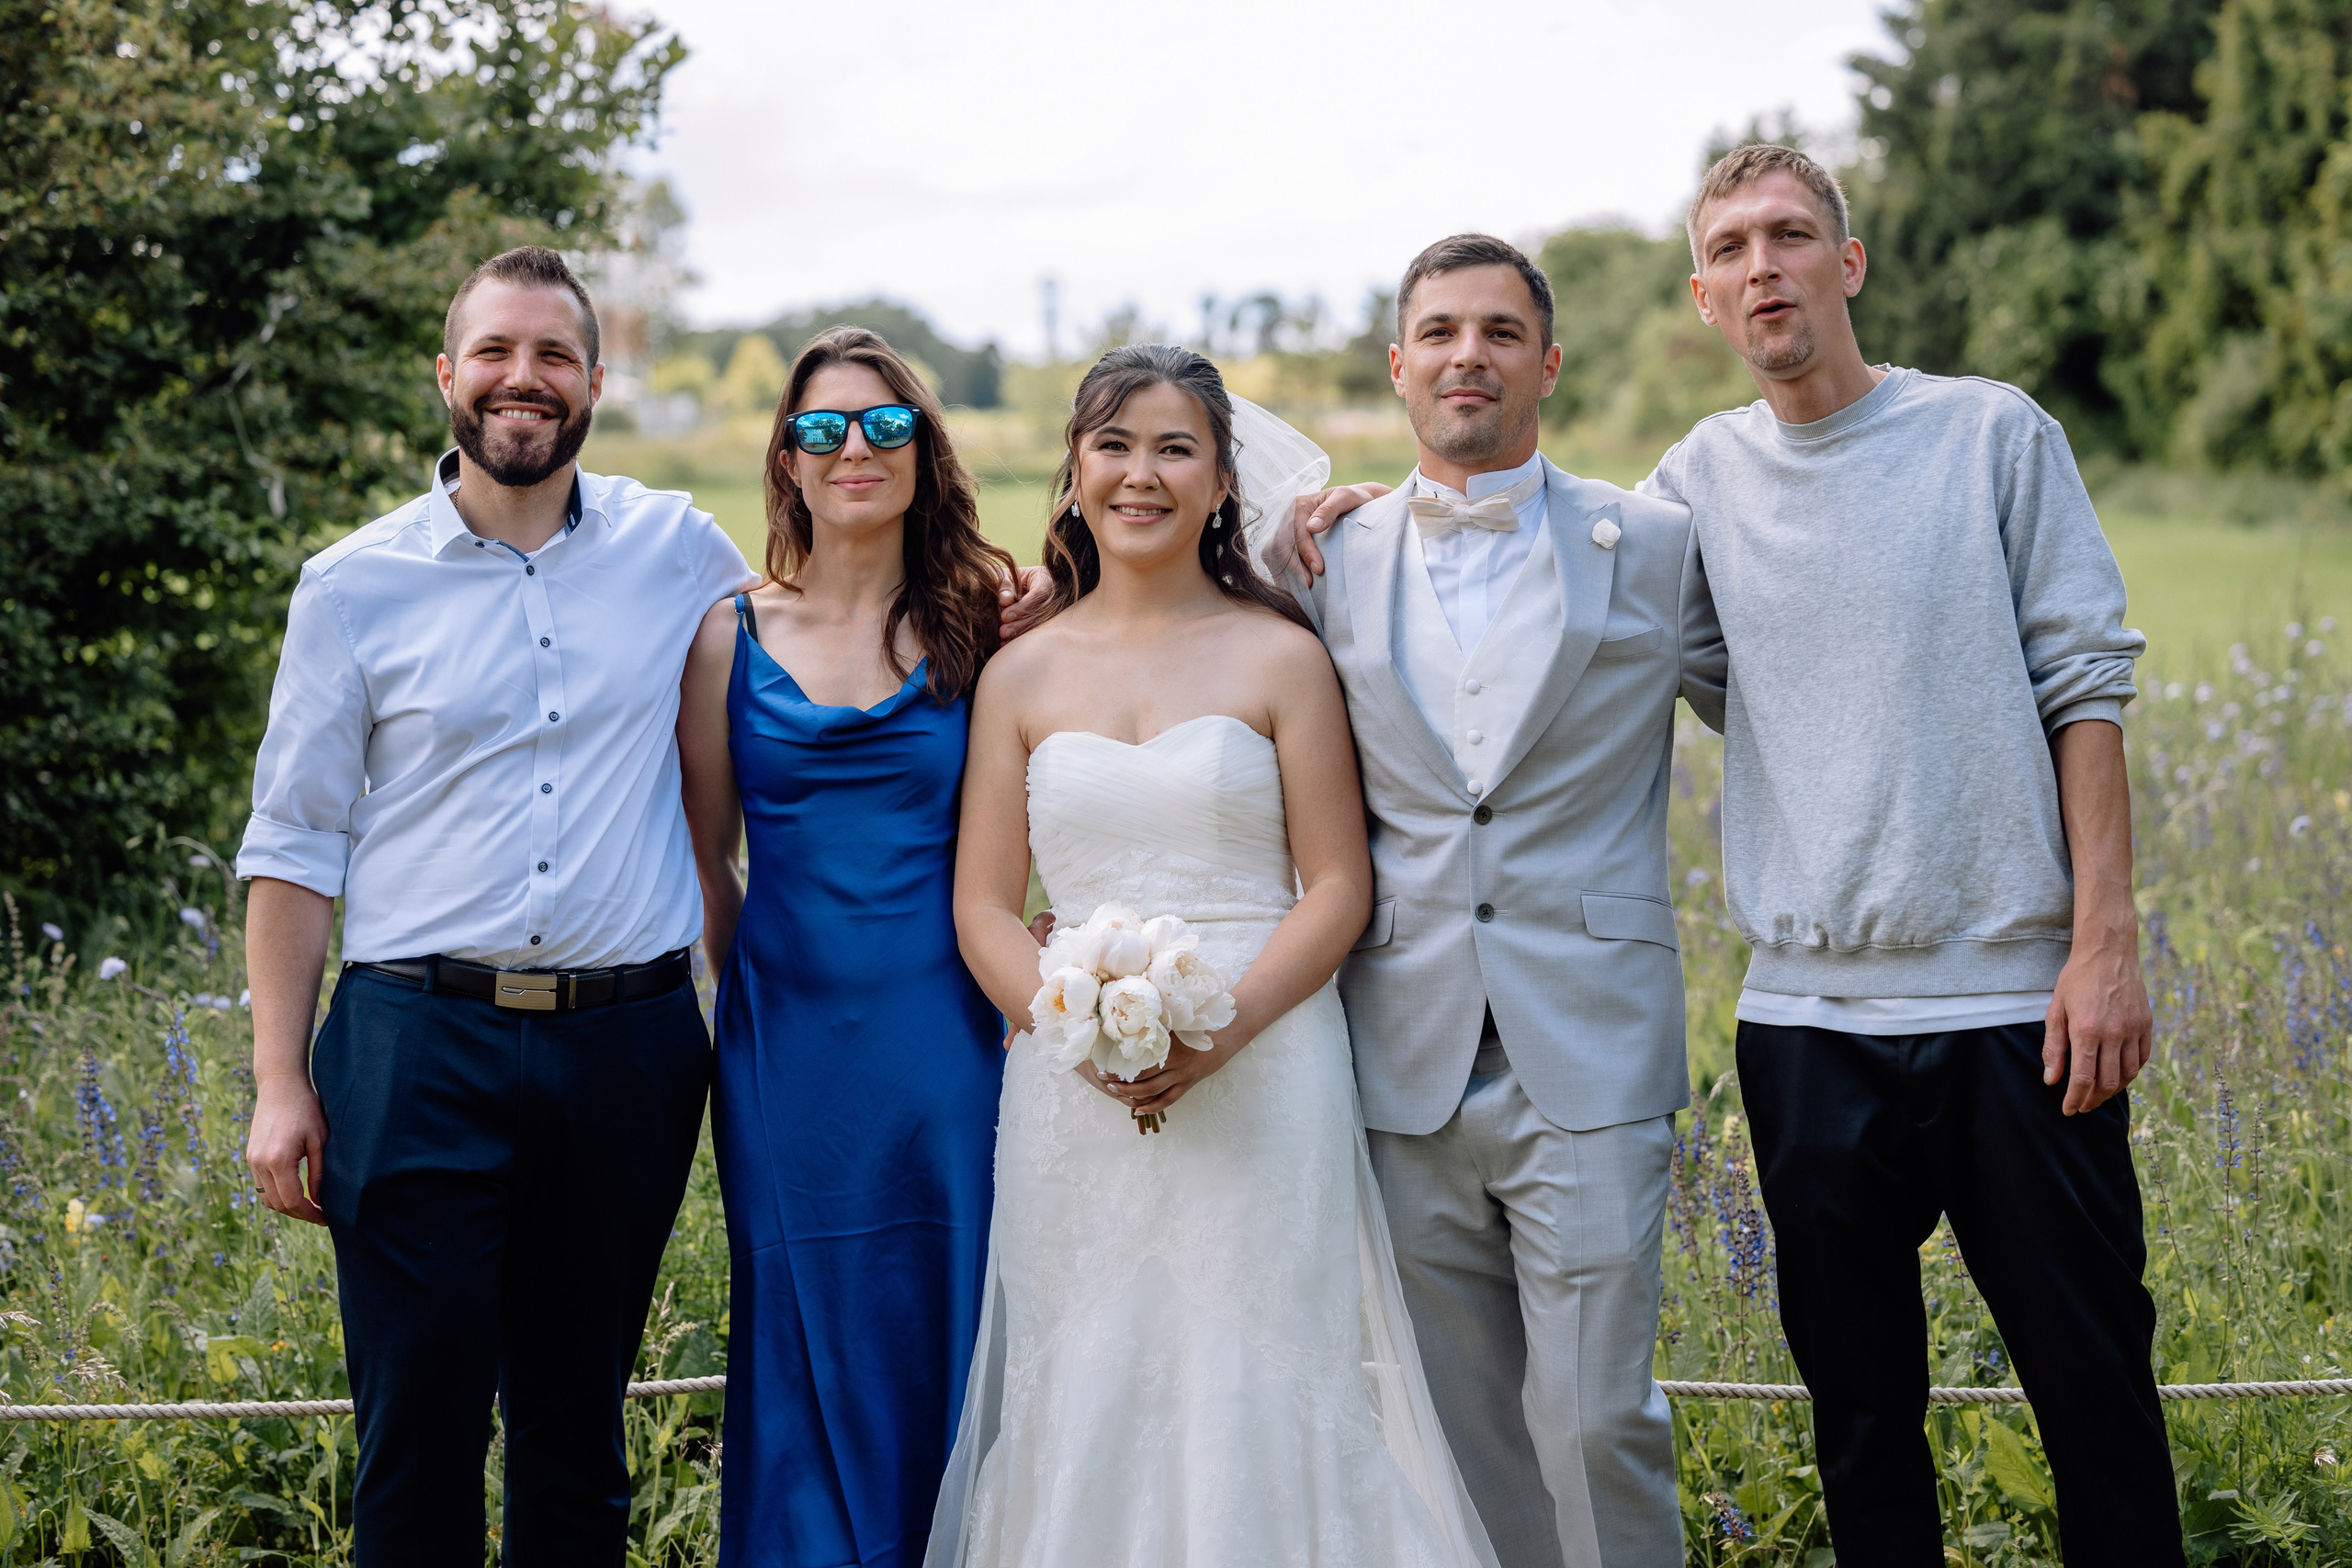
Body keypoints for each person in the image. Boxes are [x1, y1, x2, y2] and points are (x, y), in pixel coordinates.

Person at [1638, 144, 2178, 1565]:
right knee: (1863, 1424)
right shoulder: (1689, 487)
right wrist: (1344, 523)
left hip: (2020, 1012)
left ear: (1847, 264)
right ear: (1705, 297)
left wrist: (2103, 946)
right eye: (1736, 249)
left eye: (1793, 236)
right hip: (1806, 1024)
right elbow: (1552, 590)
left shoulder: (1991, 437)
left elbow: (2087, 685)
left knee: (2097, 1400)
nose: (1766, 266)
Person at [932, 345, 1499, 1567]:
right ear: (1075, 474)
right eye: (1115, 446)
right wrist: (1066, 1028)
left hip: (1267, 1058)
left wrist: (1224, 1028)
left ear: (1222, 481)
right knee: (1088, 1368)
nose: (1143, 475)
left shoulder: (1278, 654)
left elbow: (1339, 884)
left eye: (1175, 447)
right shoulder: (1019, 672)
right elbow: (983, 905)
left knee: (1261, 1366)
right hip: (1069, 1088)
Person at [237, 245, 757, 1563]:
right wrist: (279, 1083)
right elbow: (294, 843)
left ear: (593, 380)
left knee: (579, 1444)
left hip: (628, 1049)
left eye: (553, 357)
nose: (522, 381)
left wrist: (1033, 598)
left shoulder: (683, 550)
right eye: (495, 354)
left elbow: (850, 623)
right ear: (448, 377)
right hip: (415, 1048)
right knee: (416, 1438)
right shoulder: (352, 585)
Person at [1278, 235, 1720, 1568]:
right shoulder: (1319, 559)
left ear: (1547, 362)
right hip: (1400, 1052)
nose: (1469, 353)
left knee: (1594, 1420)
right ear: (1400, 364)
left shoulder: (1655, 547)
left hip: (1587, 1048)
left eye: (1500, 331)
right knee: (1459, 1431)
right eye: (1441, 331)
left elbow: (1793, 700)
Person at [675, 326, 1017, 1568]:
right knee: (798, 1333)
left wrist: (1335, 515)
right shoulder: (728, 635)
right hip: (781, 1053)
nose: (855, 448)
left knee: (953, 1316)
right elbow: (710, 857)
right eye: (823, 428)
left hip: (947, 1040)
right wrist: (747, 1003)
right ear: (788, 462)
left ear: (925, 451)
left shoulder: (993, 620)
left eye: (885, 424)